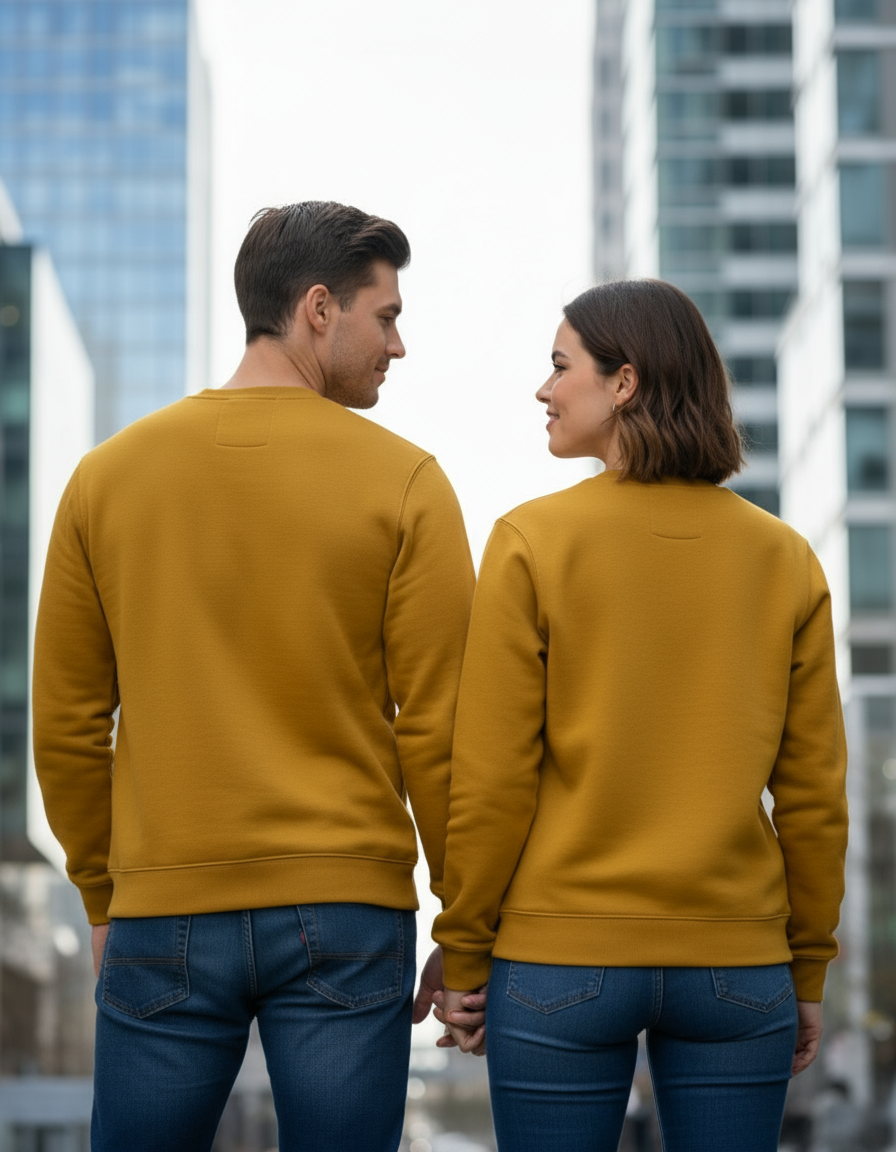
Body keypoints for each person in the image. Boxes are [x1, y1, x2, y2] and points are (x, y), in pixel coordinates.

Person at [32, 201, 475, 1152]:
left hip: (164, 906)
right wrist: (466, 924)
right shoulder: (407, 482)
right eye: (386, 316)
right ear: (318, 308)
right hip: (347, 908)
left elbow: (67, 721)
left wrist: (104, 894)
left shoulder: (105, 479)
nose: (398, 345)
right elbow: (441, 728)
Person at [433, 279, 848, 1151]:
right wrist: (806, 967)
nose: (544, 389)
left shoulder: (531, 541)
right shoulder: (785, 558)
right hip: (738, 964)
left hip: (559, 958)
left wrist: (465, 954)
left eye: (560, 366)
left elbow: (492, 781)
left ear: (624, 382)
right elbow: (814, 797)